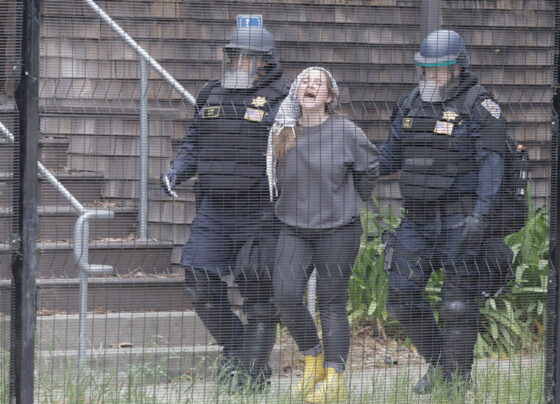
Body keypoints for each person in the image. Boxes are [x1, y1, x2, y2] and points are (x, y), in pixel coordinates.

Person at [378, 29, 514, 394]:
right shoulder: (410, 103)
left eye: (441, 68)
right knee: (401, 297)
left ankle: (456, 383)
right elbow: (389, 156)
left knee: (456, 304)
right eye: (428, 68)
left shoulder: (479, 104)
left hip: (461, 218)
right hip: (417, 221)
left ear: (458, 67)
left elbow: (493, 164)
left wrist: (481, 216)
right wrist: (352, 165)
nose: (433, 75)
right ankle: (441, 366)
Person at [161, 24, 291, 390]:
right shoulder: (211, 93)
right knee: (198, 283)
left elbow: (298, 154)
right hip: (215, 210)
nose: (238, 62)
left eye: (246, 57)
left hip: (262, 211)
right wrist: (176, 172)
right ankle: (238, 349)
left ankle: (251, 376)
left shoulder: (285, 98)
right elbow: (194, 142)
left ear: (265, 62)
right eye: (233, 55)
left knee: (259, 296)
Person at [267, 67, 379, 403]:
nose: (310, 86)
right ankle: (313, 361)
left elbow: (369, 170)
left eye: (318, 83)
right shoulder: (282, 131)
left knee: (331, 304)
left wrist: (349, 201)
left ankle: (335, 378)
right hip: (293, 229)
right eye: (304, 81)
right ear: (296, 92)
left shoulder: (347, 131)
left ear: (329, 96)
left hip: (338, 230)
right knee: (285, 296)